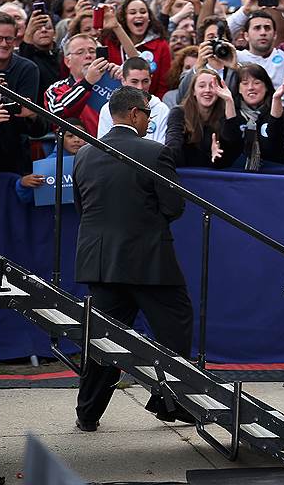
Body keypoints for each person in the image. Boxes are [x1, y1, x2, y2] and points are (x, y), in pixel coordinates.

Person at [72, 86, 194, 432]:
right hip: (149, 262)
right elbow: (174, 206)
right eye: (147, 114)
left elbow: (84, 209)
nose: (149, 120)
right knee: (175, 324)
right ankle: (169, 403)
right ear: (136, 113)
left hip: (101, 262)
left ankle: (87, 412)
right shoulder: (154, 152)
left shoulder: (84, 153)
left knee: (104, 339)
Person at [217, 64, 284, 170]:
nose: (251, 87)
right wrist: (229, 102)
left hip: (273, 175)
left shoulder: (280, 112)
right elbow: (230, 140)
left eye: (257, 83)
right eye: (245, 83)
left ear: (266, 87)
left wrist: (276, 99)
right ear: (238, 88)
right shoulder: (230, 112)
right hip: (236, 176)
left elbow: (275, 139)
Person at [45, 33, 120, 137]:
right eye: (80, 52)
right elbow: (56, 112)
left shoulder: (115, 80)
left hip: (115, 147)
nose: (88, 56)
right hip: (74, 151)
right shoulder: (56, 88)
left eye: (92, 51)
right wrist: (87, 82)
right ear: (67, 61)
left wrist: (124, 80)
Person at [165, 69, 235, 168]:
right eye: (202, 86)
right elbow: (173, 146)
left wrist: (229, 101)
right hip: (184, 174)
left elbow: (231, 151)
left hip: (214, 176)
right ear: (193, 91)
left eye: (212, 86)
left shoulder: (224, 115)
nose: (207, 90)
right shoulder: (179, 112)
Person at [97, 57, 170, 143]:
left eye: (145, 81)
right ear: (123, 80)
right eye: (134, 82)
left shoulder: (162, 109)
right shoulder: (108, 108)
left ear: (151, 79)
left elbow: (162, 146)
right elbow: (103, 144)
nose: (140, 87)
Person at [15, 119, 88, 204]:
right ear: (59, 137)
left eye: (81, 135)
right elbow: (28, 198)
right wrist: (22, 184)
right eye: (70, 136)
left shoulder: (92, 161)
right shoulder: (46, 166)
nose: (76, 140)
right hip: (58, 215)